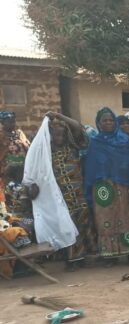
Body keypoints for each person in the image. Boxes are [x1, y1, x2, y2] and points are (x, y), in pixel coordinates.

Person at [23, 112, 92, 271]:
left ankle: (81, 257)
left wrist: (58, 116)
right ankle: (72, 259)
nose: (59, 137)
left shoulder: (71, 146)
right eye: (55, 134)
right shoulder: (45, 153)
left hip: (77, 193)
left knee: (82, 224)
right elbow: (34, 172)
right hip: (59, 197)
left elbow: (77, 127)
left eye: (62, 133)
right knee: (66, 226)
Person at [83, 107, 129, 266]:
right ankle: (109, 255)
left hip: (124, 186)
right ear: (98, 124)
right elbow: (90, 168)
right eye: (104, 121)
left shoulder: (125, 141)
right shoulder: (95, 143)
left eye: (111, 120)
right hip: (103, 188)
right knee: (105, 220)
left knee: (127, 219)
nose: (108, 123)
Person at [0, 111, 30, 214]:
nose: (12, 124)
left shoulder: (19, 133)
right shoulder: (1, 136)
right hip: (7, 173)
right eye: (9, 122)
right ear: (2, 122)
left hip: (22, 171)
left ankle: (25, 218)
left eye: (13, 121)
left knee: (25, 193)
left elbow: (27, 147)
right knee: (14, 195)